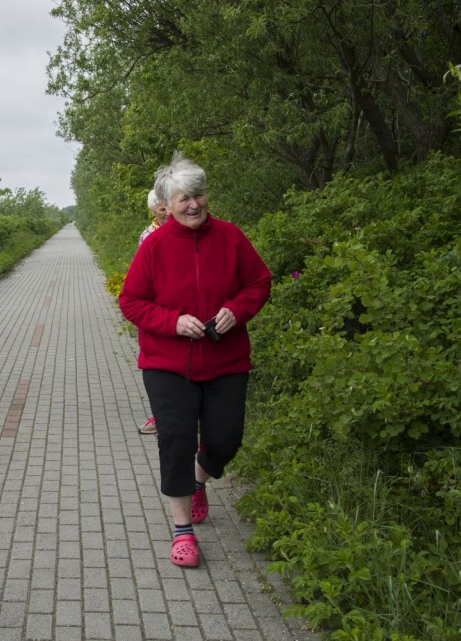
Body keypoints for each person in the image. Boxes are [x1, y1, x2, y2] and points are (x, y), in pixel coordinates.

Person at [118, 152, 271, 567]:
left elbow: (259, 282)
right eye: (185, 198)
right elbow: (130, 300)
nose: (194, 205)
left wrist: (237, 311)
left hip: (226, 359)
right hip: (168, 364)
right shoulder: (154, 246)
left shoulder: (231, 237)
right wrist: (172, 321)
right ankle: (182, 530)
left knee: (225, 439)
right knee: (176, 441)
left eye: (199, 195)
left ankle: (200, 479)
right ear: (167, 204)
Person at [136, 189, 170, 435]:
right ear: (153, 211)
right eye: (161, 209)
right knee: (158, 365)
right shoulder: (147, 236)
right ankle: (160, 417)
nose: (166, 212)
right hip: (158, 308)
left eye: (168, 206)